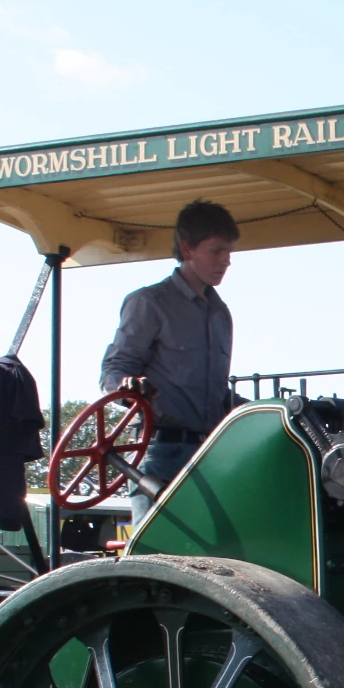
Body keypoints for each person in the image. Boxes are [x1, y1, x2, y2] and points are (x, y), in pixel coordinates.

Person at [101, 199, 240, 521]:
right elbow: (114, 369)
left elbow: (216, 394)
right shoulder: (150, 303)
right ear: (187, 248)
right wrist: (129, 387)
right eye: (217, 251)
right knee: (156, 554)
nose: (226, 261)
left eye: (229, 253)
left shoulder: (220, 313)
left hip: (208, 454)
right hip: (159, 452)